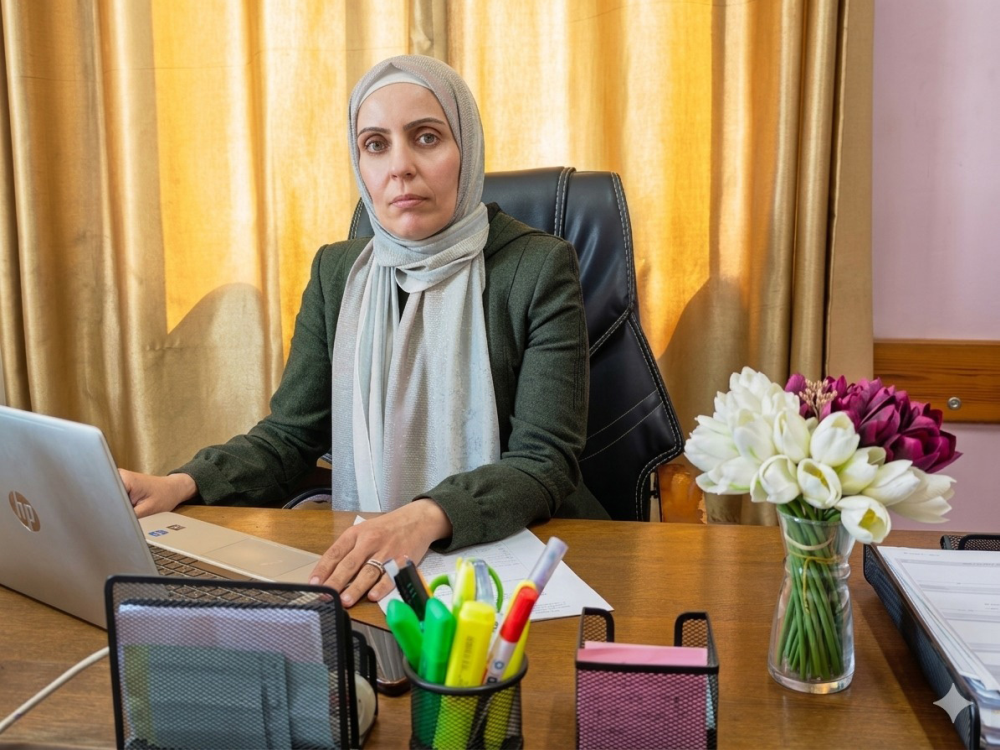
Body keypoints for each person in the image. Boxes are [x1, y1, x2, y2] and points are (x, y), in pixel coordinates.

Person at [120, 55, 608, 608]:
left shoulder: (540, 267)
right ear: (360, 166)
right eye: (375, 144)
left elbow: (544, 460)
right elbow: (290, 437)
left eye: (427, 137)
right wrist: (180, 484)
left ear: (466, 148)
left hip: (519, 563)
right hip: (375, 568)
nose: (400, 167)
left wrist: (422, 517)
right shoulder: (336, 273)